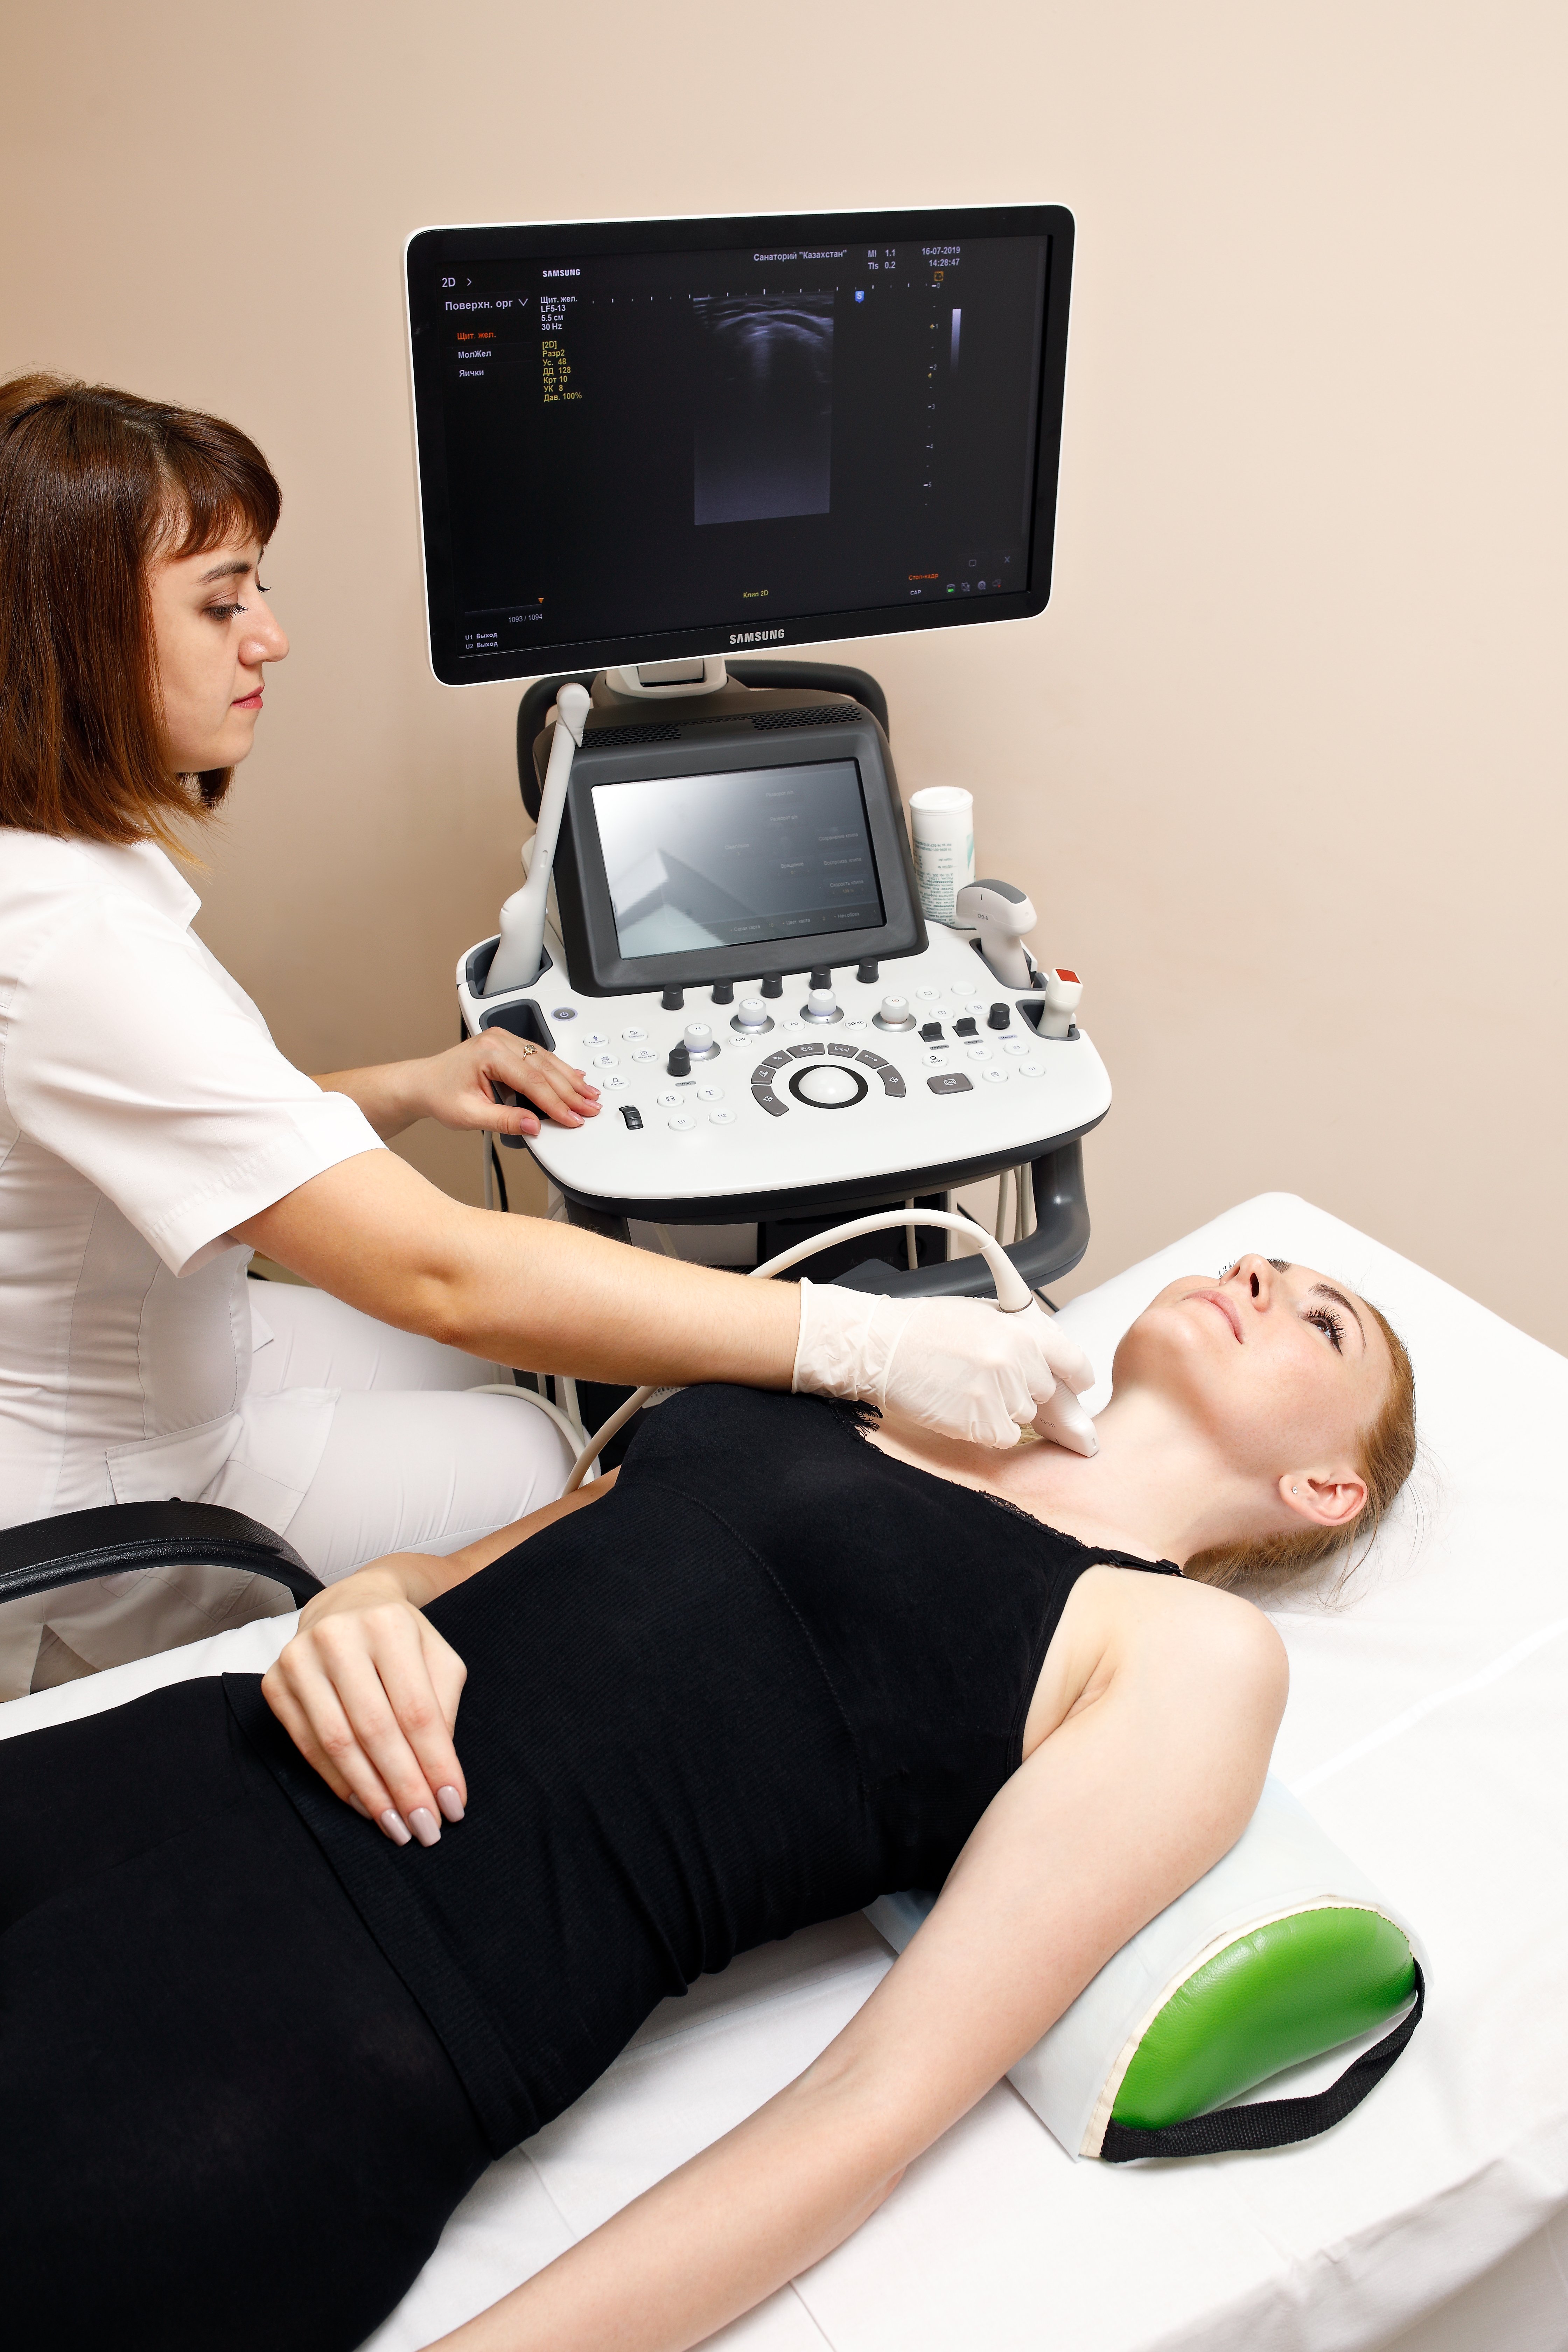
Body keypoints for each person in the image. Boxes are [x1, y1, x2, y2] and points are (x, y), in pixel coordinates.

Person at [0, 1253, 1417, 2349]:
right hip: (200, 1758)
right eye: (1260, 1265)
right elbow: (456, 1575)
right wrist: (355, 1605)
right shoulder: (885, 1384)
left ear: (1326, 1489)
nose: (1258, 1279)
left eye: (1323, 1320)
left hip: (352, 2012)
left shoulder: (1186, 1651)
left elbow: (868, 2106)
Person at [0, 373, 1091, 1696]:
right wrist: (873, 1342)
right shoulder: (77, 950)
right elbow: (441, 1271)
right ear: (65, 637)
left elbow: (182, 1129)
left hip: (150, 1337)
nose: (270, 638)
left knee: (502, 1361)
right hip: (112, 1481)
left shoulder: (50, 879)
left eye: (260, 591)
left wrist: (410, 1084)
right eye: (223, 602)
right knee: (539, 1440)